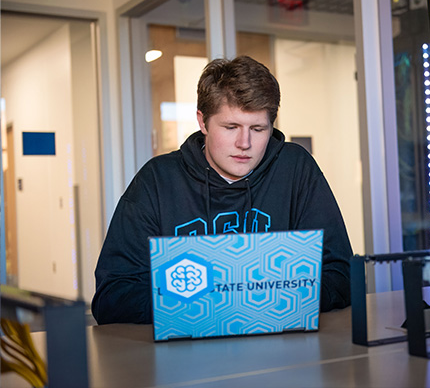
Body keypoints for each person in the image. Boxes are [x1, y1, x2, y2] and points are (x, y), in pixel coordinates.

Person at [92, 56, 353, 324]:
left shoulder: (295, 169)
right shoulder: (157, 180)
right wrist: (219, 303)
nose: (244, 143)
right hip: (184, 357)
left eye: (258, 128)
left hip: (283, 350)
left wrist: (258, 300)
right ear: (202, 122)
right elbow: (112, 297)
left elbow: (342, 275)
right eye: (231, 127)